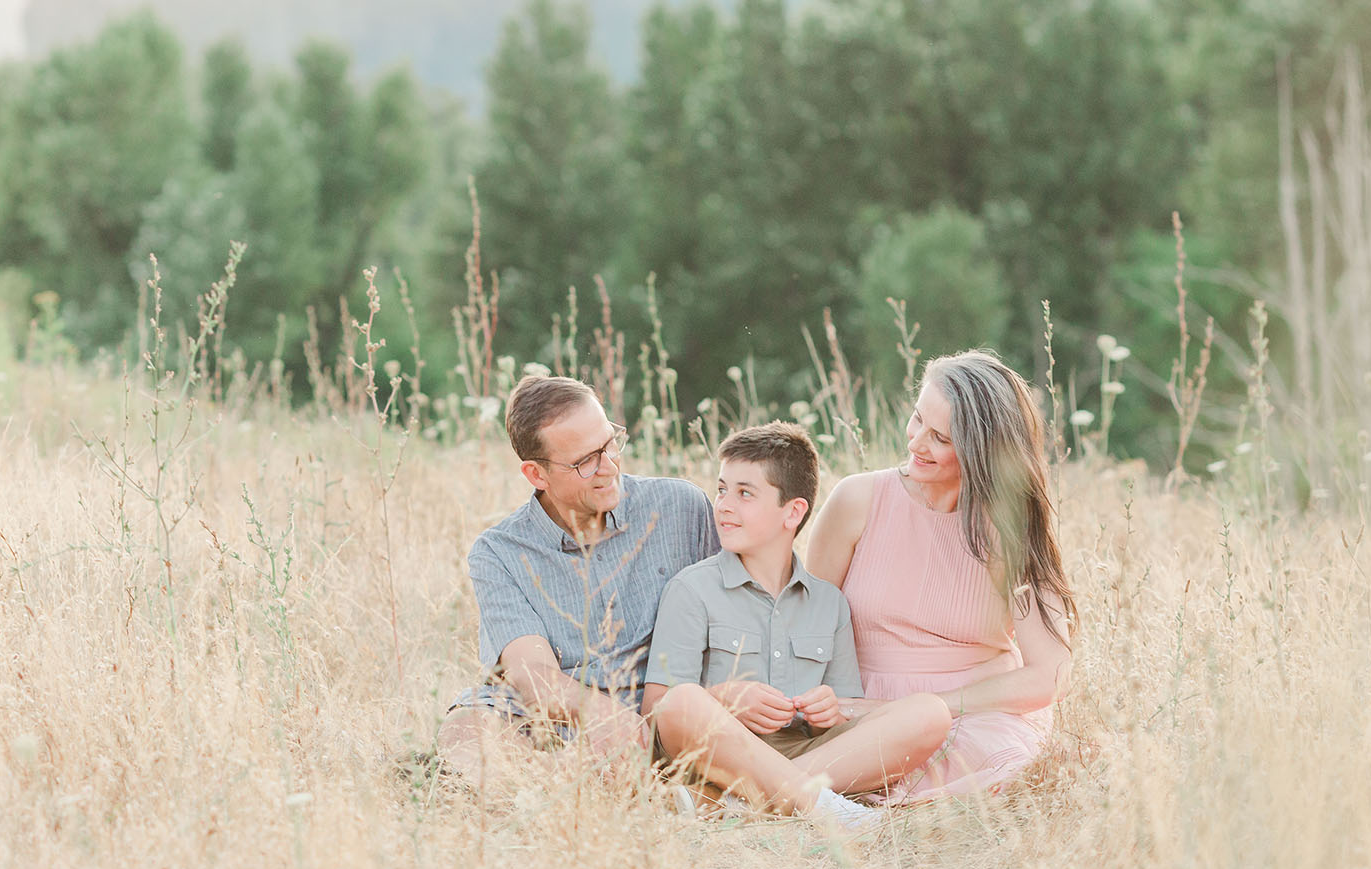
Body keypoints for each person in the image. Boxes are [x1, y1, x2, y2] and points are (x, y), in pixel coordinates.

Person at [643, 423, 952, 828]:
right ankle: (824, 809)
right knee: (683, 700)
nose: (724, 505)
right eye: (721, 489)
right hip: (720, 756)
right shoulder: (691, 589)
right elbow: (657, 714)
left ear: (793, 511)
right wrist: (723, 698)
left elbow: (847, 710)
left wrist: (834, 709)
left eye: (745, 493)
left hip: (811, 755)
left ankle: (746, 803)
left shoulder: (829, 603)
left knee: (931, 713)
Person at [805, 350, 1077, 803]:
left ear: (983, 453)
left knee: (999, 778)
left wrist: (932, 708)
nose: (915, 443)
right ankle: (782, 786)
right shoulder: (857, 500)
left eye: (940, 438)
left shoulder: (1012, 528)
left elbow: (1050, 674)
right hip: (857, 706)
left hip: (976, 715)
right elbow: (805, 629)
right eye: (916, 420)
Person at [437, 373, 718, 776]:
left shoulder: (680, 506)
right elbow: (533, 676)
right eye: (586, 461)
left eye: (610, 443)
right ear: (536, 475)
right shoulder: (500, 551)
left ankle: (562, 785)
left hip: (666, 711)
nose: (609, 467)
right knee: (465, 729)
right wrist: (601, 714)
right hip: (560, 720)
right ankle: (563, 784)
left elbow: (735, 616)